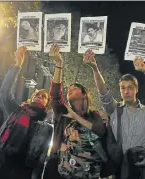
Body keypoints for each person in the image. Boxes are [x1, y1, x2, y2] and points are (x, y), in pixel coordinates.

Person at [83, 49, 145, 179]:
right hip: (120, 170)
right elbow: (104, 93)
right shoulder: (114, 109)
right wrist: (95, 69)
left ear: (136, 89)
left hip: (143, 170)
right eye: (123, 88)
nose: (126, 91)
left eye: (130, 88)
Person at [43, 45, 106, 179]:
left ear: (84, 95)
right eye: (69, 89)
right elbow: (55, 94)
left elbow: (99, 131)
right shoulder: (63, 112)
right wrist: (59, 63)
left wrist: (75, 117)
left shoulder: (93, 115)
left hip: (88, 173)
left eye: (75, 87)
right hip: (60, 171)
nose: (70, 89)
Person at [0, 46, 53, 179]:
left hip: (23, 172)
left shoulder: (47, 127)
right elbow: (4, 92)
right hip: (0, 163)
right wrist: (17, 65)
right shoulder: (17, 111)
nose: (39, 96)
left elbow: (42, 159)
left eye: (43, 96)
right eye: (37, 94)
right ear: (31, 97)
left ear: (46, 104)